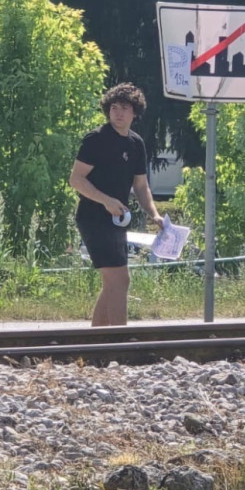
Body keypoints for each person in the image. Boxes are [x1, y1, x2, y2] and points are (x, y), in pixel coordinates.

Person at [69, 83, 164, 327]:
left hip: (116, 220)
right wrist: (107, 201)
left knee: (114, 283)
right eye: (114, 108)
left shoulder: (136, 144)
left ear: (135, 113)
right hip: (93, 217)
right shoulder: (96, 139)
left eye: (124, 108)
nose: (118, 113)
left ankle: (97, 345)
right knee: (120, 280)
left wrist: (154, 215)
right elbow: (76, 179)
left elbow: (141, 187)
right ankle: (119, 344)